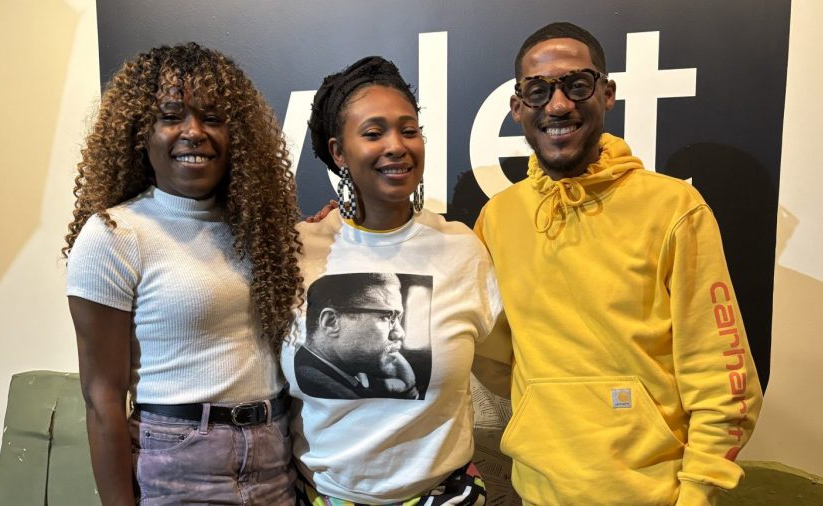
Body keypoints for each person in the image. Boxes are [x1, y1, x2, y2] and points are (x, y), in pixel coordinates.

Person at [474, 22, 763, 505]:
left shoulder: (674, 208)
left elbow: (722, 376)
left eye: (577, 84)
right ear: (518, 106)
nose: (559, 104)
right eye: (538, 90)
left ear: (606, 94)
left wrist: (698, 492)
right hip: (537, 492)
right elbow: (492, 355)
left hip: (657, 496)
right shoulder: (498, 219)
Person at [63, 43, 302, 505]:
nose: (193, 132)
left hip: (275, 455)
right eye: (171, 116)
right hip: (180, 460)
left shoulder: (262, 233)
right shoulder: (114, 234)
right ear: (140, 133)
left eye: (212, 118)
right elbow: (102, 398)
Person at [283, 56, 501, 505]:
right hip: (320, 496)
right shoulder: (294, 252)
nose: (397, 145)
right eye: (373, 132)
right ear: (338, 152)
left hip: (443, 495)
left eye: (409, 129)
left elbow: (511, 363)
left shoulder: (461, 249)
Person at [296, 273, 420, 400]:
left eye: (398, 318)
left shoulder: (361, 373)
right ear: (331, 322)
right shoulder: (314, 383)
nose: (399, 333)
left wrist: (407, 389)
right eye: (387, 317)